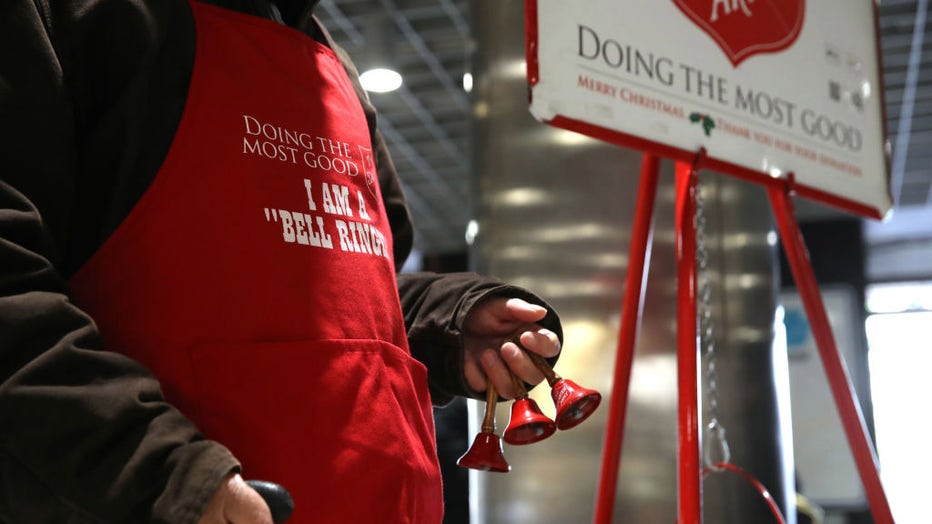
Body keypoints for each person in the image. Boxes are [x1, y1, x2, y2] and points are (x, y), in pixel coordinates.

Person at [0, 0, 563, 522]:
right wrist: (164, 477)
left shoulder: (332, 69)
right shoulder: (72, 17)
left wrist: (450, 326)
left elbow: (358, 289)